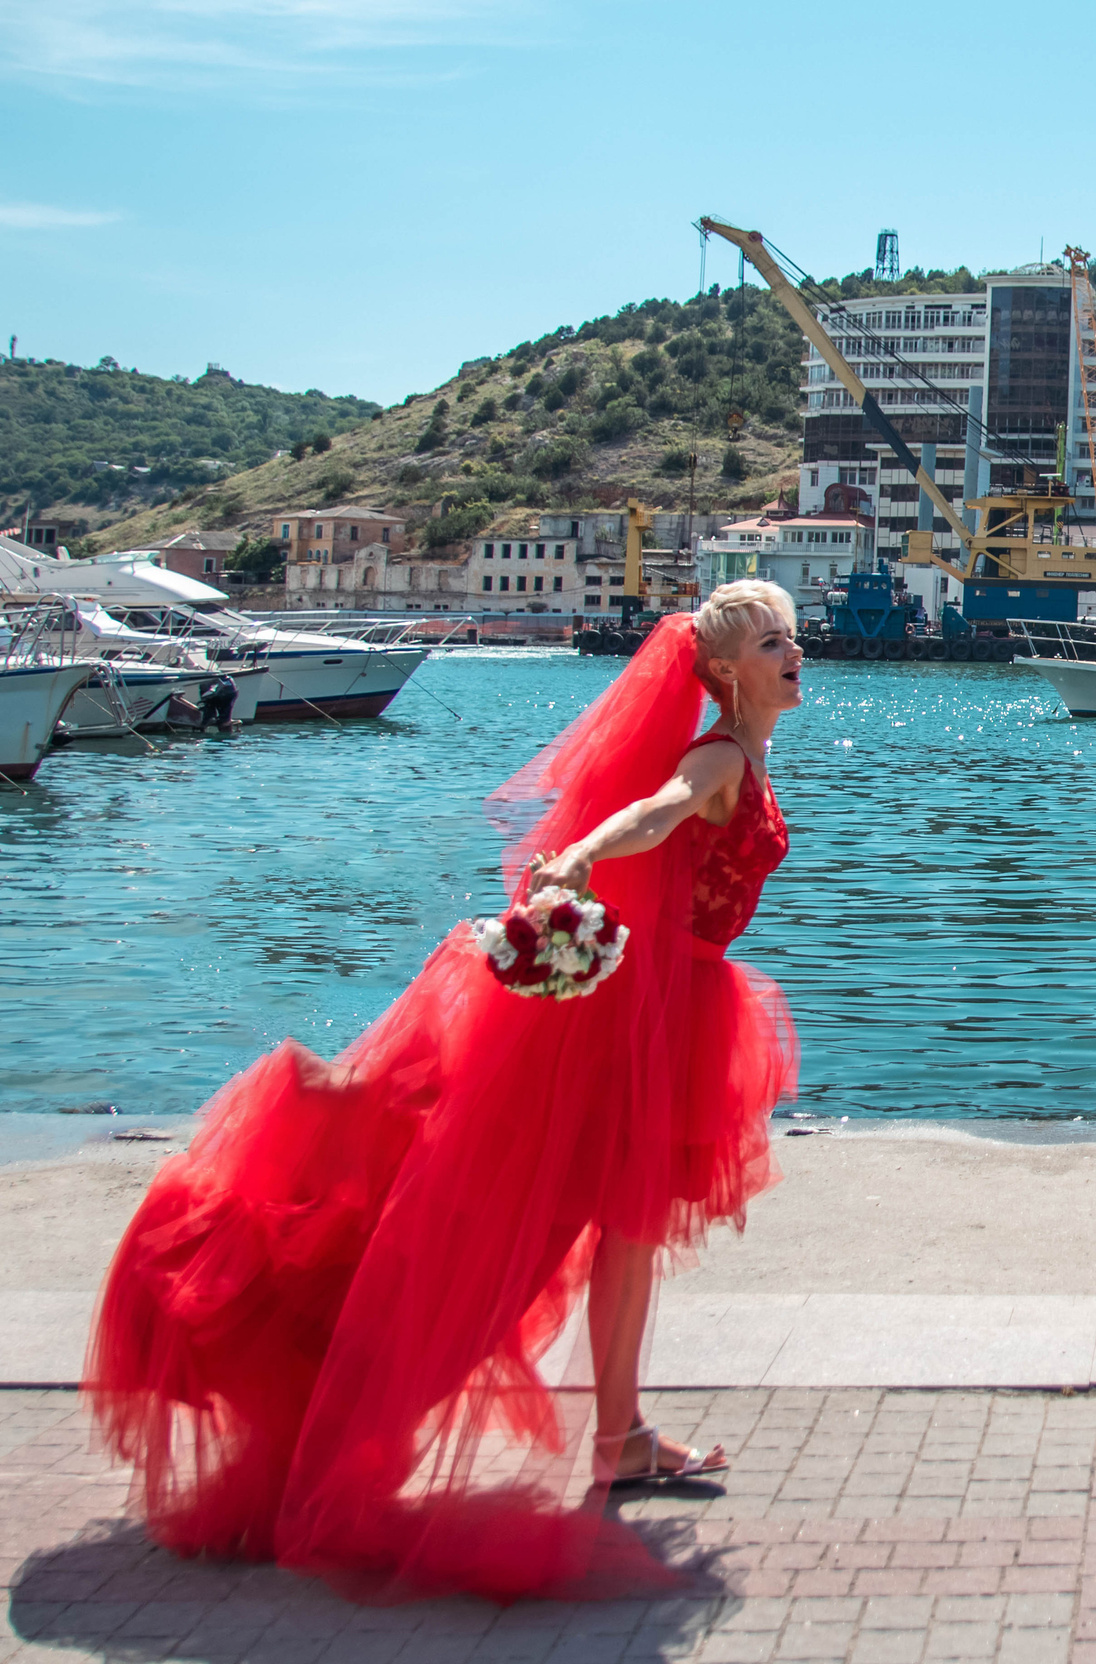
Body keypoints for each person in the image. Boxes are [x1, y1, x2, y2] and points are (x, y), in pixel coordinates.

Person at [86, 580, 804, 1601]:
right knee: (519, 1223)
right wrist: (583, 854)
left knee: (624, 1229)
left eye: (791, 636)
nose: (794, 652)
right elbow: (658, 812)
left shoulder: (750, 753)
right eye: (773, 641)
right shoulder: (721, 756)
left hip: (676, 1007)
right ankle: (405, 1393)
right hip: (652, 1016)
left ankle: (622, 1435)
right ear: (725, 671)